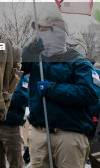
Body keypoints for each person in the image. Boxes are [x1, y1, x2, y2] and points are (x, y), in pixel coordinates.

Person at [22, 13, 98, 168]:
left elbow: (89, 94)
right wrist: (29, 50)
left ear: (59, 34)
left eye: (45, 31)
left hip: (69, 135)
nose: (40, 35)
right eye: (39, 31)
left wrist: (53, 89)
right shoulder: (38, 59)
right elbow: (20, 67)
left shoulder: (79, 62)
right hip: (40, 132)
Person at [0, 74, 29, 168]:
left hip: (11, 128)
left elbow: (21, 98)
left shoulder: (20, 76)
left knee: (16, 163)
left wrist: (0, 96)